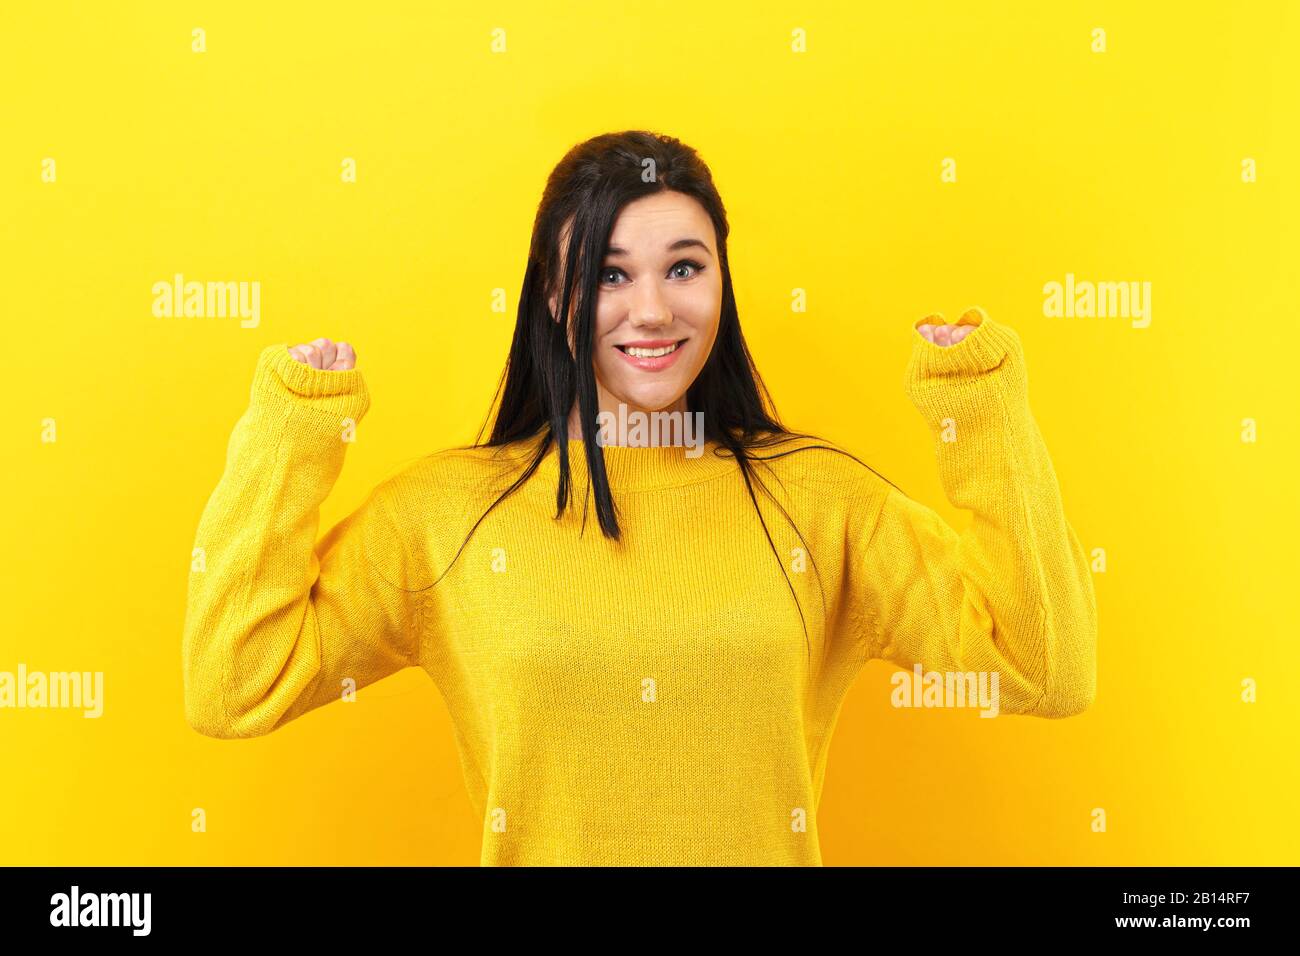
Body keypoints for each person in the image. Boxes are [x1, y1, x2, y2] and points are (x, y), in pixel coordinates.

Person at [182, 130, 1097, 866]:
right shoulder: (447, 517)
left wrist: (977, 409)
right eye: (609, 275)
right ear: (553, 293)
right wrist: (293, 432)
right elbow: (235, 686)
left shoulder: (818, 502)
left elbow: (1041, 668)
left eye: (684, 267)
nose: (652, 310)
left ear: (721, 282)